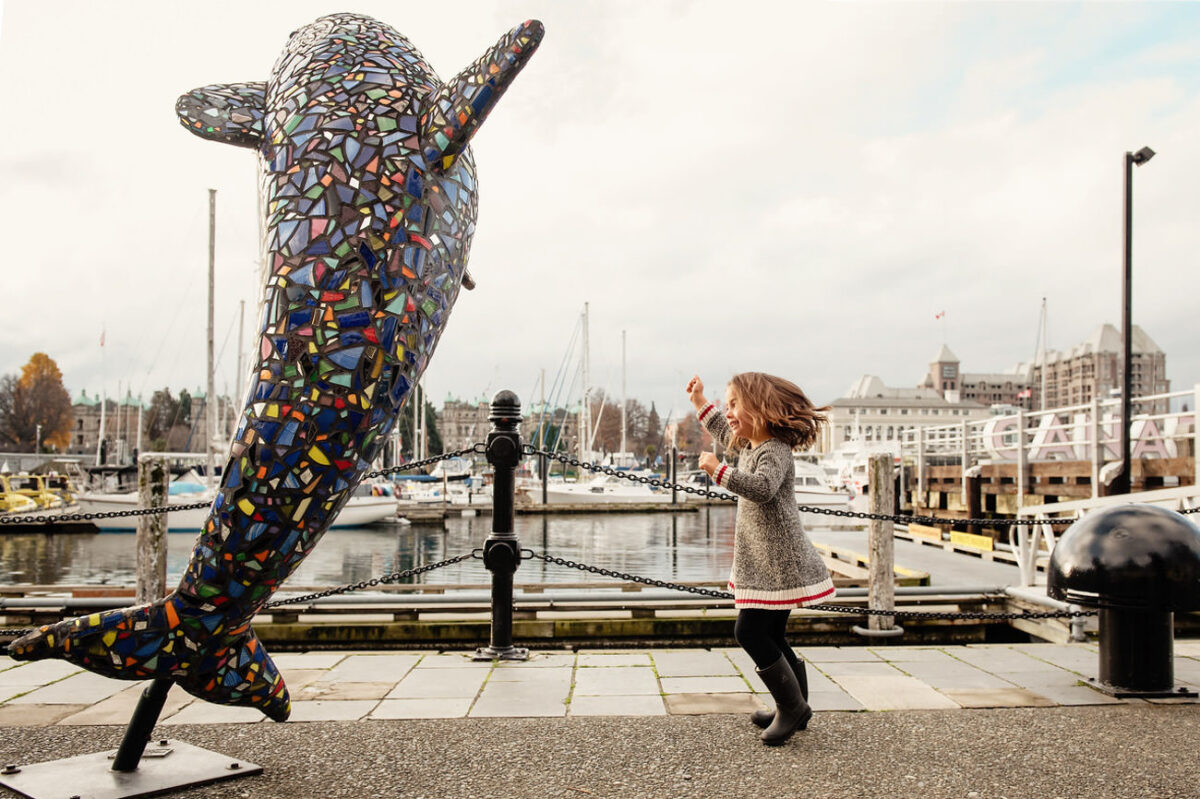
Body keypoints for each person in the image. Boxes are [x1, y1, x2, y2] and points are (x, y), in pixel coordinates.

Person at [686, 372, 834, 745]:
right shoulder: (753, 445)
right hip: (767, 561)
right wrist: (700, 402)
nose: (729, 411)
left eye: (735, 404)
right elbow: (724, 431)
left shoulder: (774, 451)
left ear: (762, 409)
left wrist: (718, 470)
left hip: (778, 564)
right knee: (771, 632)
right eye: (728, 404)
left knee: (749, 631)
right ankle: (796, 704)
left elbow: (763, 489)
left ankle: (791, 706)